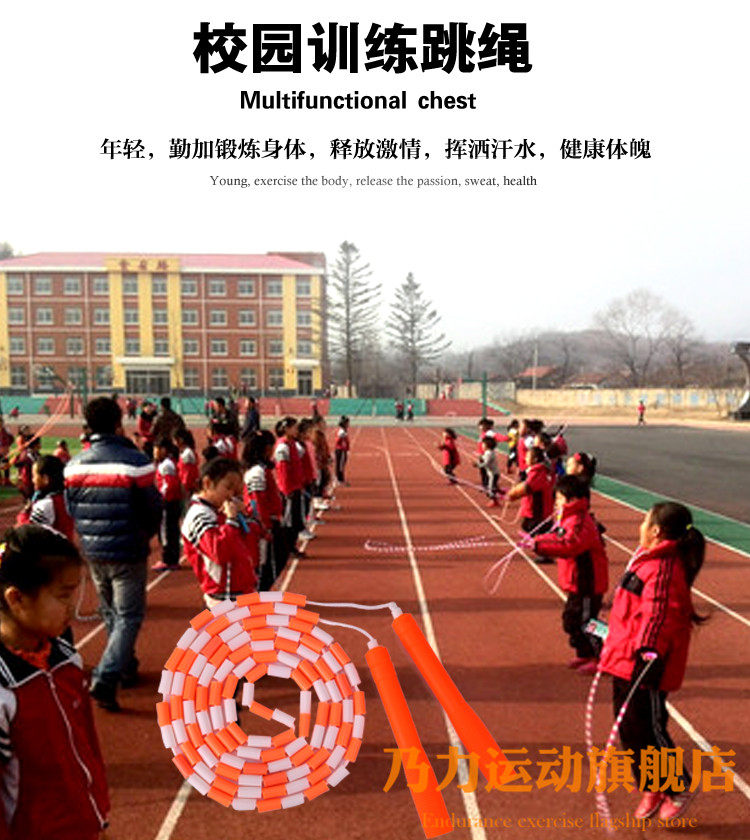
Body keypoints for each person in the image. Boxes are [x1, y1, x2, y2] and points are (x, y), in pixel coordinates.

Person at [0, 525, 110, 839]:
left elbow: (87, 745)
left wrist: (98, 814)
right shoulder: (5, 690)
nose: (73, 608)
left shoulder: (66, 658)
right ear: (17, 599)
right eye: (63, 596)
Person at [599, 502, 706, 821]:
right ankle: (652, 784)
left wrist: (647, 657)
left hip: (646, 667)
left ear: (656, 530)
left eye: (645, 521)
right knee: (629, 729)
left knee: (648, 728)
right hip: (625, 659)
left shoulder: (663, 569)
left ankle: (678, 786)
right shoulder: (646, 559)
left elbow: (659, 617)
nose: (641, 526)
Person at [64, 397, 162, 711]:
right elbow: (152, 508)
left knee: (109, 611)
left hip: (93, 549)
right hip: (128, 549)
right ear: (119, 423)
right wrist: (144, 535)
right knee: (128, 615)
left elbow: (71, 508)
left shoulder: (74, 465)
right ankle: (107, 676)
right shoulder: (136, 462)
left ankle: (125, 664)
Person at [529, 475, 609, 674]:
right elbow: (558, 536)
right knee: (572, 620)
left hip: (587, 582)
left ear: (572, 499)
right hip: (576, 582)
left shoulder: (580, 521)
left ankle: (606, 650)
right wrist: (538, 540)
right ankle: (585, 653)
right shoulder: (568, 519)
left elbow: (570, 545)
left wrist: (538, 545)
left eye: (559, 498)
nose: (555, 502)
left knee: (587, 622)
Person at [181, 457, 259, 607]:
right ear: (207, 483)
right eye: (228, 488)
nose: (231, 495)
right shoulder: (199, 515)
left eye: (236, 491)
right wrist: (231, 521)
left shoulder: (219, 510)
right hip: (224, 596)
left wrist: (246, 517)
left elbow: (251, 542)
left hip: (241, 589)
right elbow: (219, 552)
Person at [243, 431, 285, 591]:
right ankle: (259, 594)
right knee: (266, 564)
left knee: (274, 561)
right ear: (267, 448)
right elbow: (257, 502)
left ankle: (262, 593)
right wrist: (265, 527)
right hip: (263, 524)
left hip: (269, 521)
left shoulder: (261, 469)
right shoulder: (257, 472)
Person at [16, 455, 75, 541]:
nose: (33, 480)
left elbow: (28, 533)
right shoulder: (68, 497)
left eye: (34, 476)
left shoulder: (46, 504)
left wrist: (23, 515)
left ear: (45, 479)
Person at [506, 446, 555, 540]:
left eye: (528, 456)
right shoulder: (536, 471)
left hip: (538, 513)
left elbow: (526, 488)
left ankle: (539, 544)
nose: (525, 458)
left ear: (535, 459)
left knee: (537, 532)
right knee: (526, 526)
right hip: (534, 511)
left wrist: (512, 494)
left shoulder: (538, 472)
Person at [153, 438, 182, 572]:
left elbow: (170, 484)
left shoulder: (166, 465)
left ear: (164, 450)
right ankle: (173, 559)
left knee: (166, 531)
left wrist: (160, 496)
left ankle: (167, 559)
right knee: (172, 530)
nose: (155, 452)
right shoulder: (169, 463)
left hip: (168, 502)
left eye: (157, 449)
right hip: (173, 501)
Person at [474, 435, 503, 506]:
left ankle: (494, 500)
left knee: (490, 488)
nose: (482, 446)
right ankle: (498, 491)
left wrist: (477, 465)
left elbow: (486, 463)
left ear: (488, 445)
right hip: (492, 473)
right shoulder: (489, 452)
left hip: (493, 474)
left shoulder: (489, 453)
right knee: (491, 485)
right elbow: (484, 458)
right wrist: (480, 458)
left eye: (483, 444)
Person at [175, 428, 200, 496]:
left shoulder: (187, 454)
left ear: (180, 440)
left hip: (188, 487)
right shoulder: (185, 452)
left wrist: (184, 487)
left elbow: (188, 473)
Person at [334, 416, 351, 485]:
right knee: (340, 465)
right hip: (340, 450)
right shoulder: (341, 432)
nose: (348, 425)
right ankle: (340, 479)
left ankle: (340, 478)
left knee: (341, 464)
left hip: (341, 450)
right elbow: (337, 441)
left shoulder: (343, 431)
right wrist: (342, 437)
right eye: (347, 423)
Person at [0, 419, 13, 486]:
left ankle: (6, 480)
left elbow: (11, 438)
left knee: (6, 465)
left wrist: (7, 446)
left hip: (4, 452)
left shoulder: (5, 430)